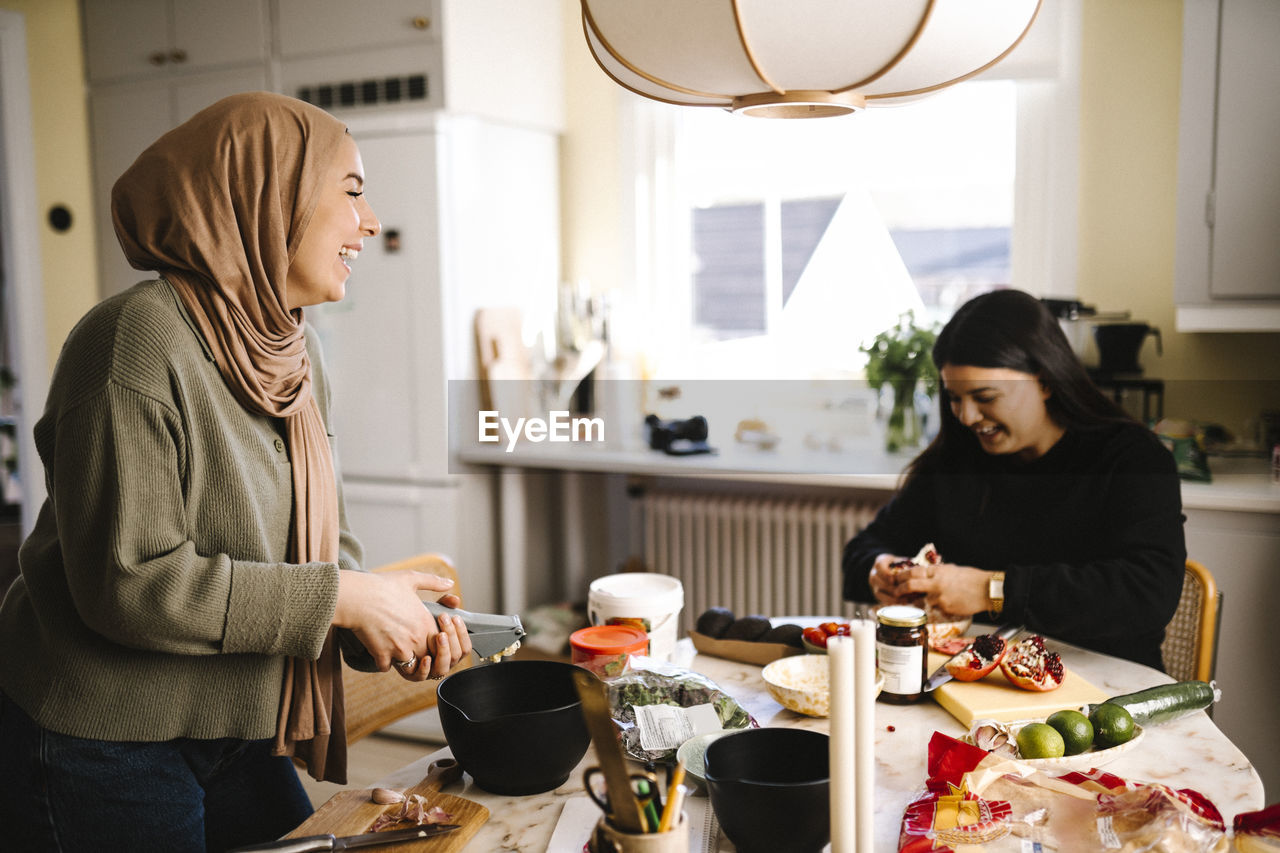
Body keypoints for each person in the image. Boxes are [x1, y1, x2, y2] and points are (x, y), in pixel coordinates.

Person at [0, 92, 472, 852]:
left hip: (236, 719)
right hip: (105, 738)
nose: (371, 221)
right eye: (351, 192)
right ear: (265, 195)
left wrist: (372, 622)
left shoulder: (296, 347)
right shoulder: (133, 342)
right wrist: (342, 596)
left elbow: (319, 557)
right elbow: (130, 585)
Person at [843, 289, 1185, 670]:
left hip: (1107, 690)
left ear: (1045, 380)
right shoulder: (957, 459)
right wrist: (879, 568)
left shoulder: (1132, 458)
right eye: (954, 398)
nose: (968, 416)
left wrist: (991, 591)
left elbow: (1147, 593)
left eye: (985, 396)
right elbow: (863, 549)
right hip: (978, 687)